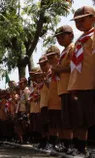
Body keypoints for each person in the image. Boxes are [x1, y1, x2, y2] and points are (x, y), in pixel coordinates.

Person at [67, 6, 95, 156]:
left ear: (93, 19)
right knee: (82, 120)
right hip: (81, 85)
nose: (79, 24)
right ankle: (81, 149)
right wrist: (73, 86)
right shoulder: (80, 41)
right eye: (77, 22)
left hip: (91, 83)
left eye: (83, 20)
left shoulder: (93, 37)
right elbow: (75, 66)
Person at [53, 25, 76, 154]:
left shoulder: (72, 48)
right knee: (65, 120)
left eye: (62, 36)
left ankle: (74, 146)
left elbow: (74, 66)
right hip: (63, 89)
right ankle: (66, 145)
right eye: (58, 38)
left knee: (72, 120)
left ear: (71, 36)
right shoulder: (63, 52)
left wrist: (58, 69)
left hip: (70, 87)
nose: (60, 39)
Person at [37, 56, 51, 149]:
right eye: (41, 65)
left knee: (50, 125)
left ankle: (51, 142)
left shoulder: (51, 72)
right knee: (43, 125)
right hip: (43, 104)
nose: (42, 67)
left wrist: (45, 79)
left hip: (50, 102)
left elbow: (51, 86)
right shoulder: (44, 76)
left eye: (44, 64)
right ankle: (44, 142)